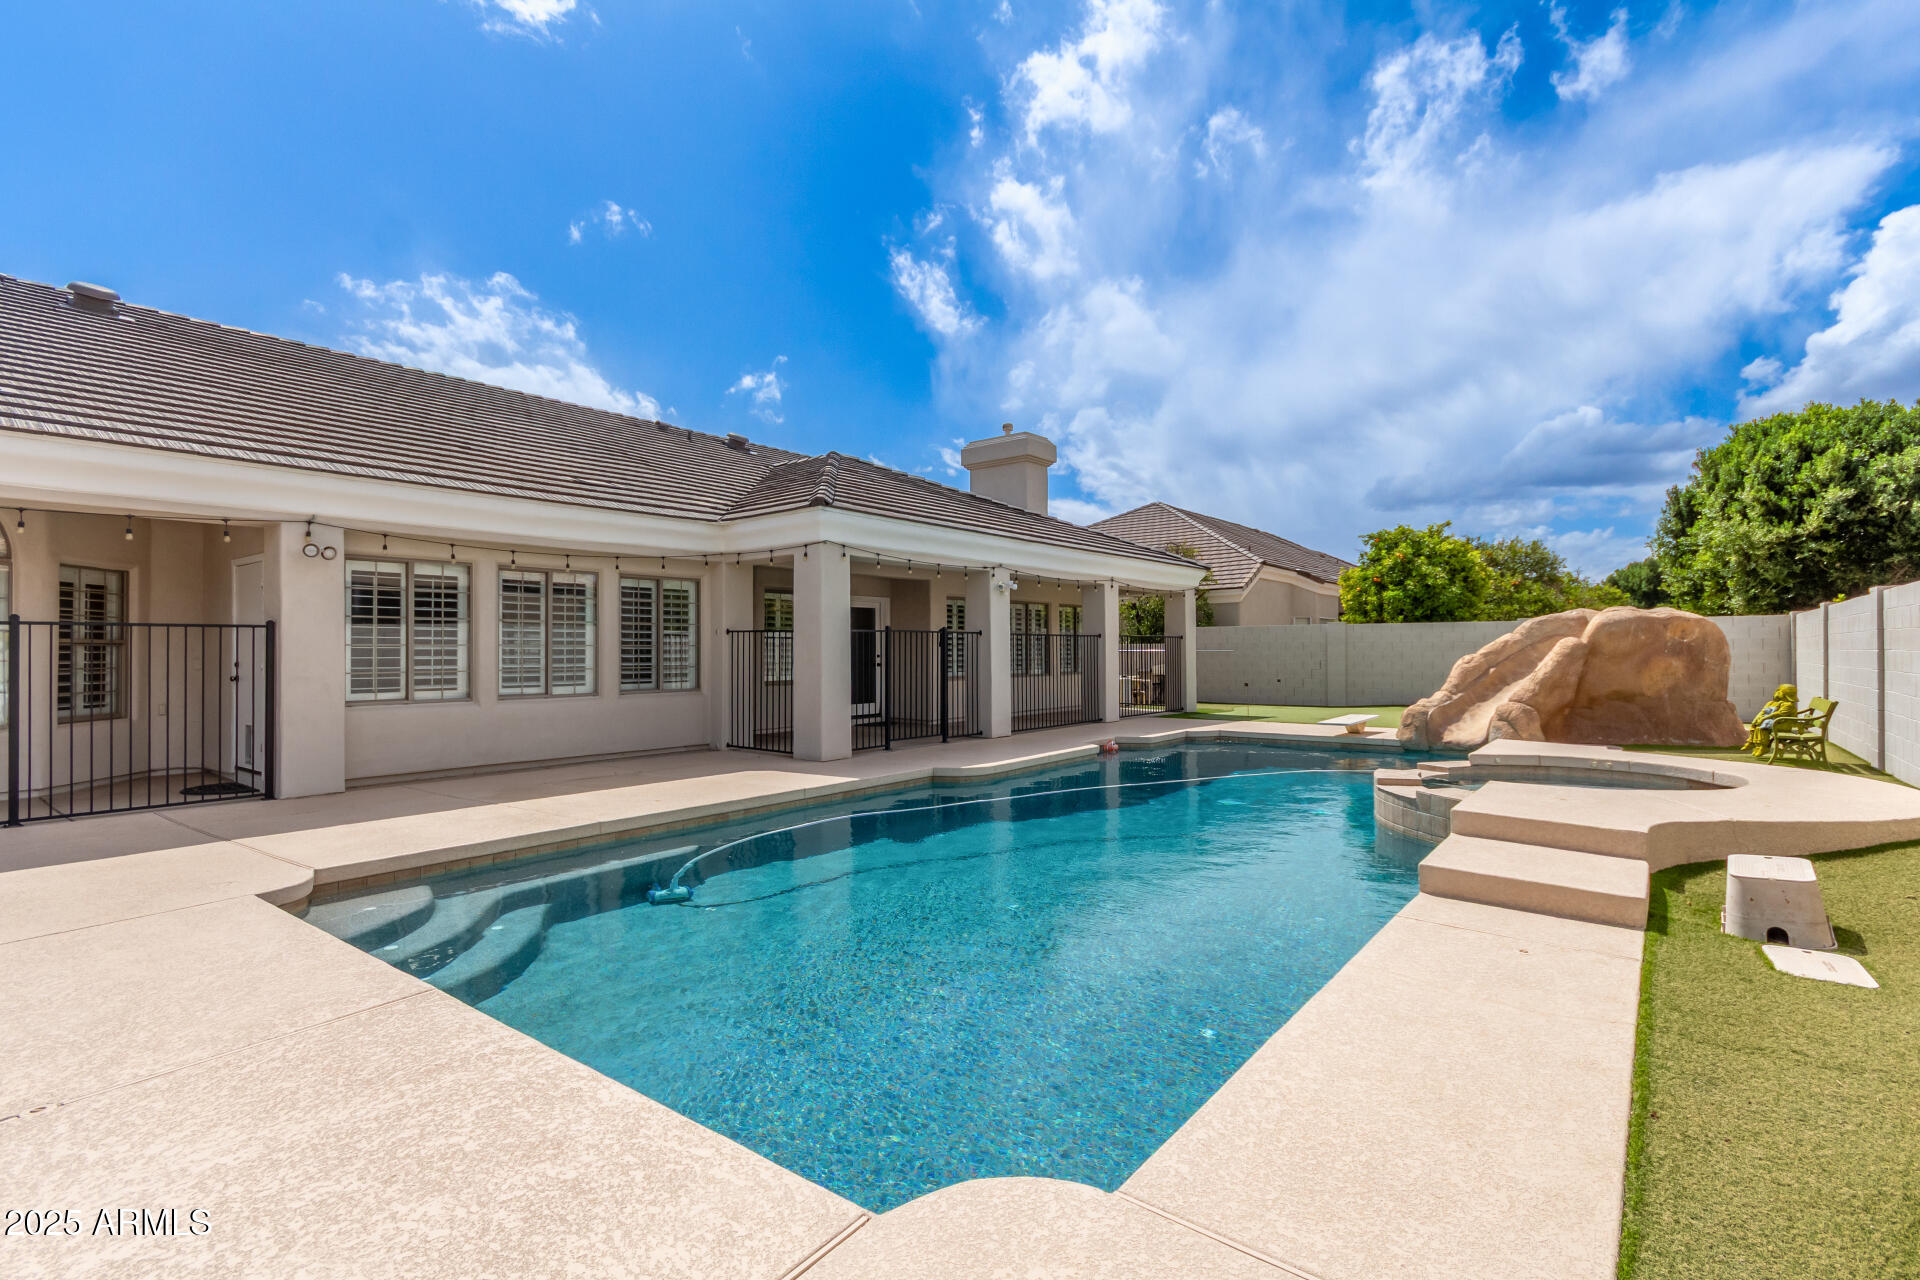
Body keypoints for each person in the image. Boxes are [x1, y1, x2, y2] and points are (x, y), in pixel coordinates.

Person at [1746, 683, 1799, 756]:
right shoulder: (1780, 703)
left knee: (1762, 728)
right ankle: (1756, 744)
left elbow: (1778, 714)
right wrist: (1758, 719)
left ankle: (1764, 747)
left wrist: (1764, 718)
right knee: (1758, 725)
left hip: (1785, 725)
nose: (1777, 693)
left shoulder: (1788, 705)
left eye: (1779, 691)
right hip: (1779, 722)